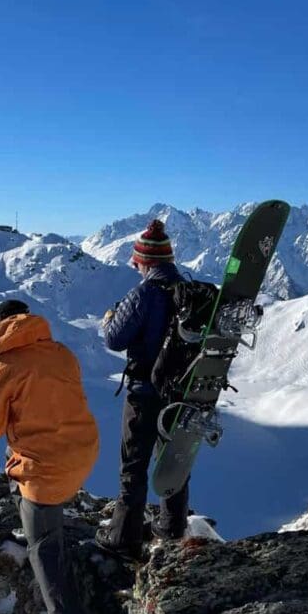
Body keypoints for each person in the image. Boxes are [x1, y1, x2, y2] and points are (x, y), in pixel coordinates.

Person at [0, 298, 102, 614]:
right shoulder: (61, 353)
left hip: (45, 469)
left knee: (45, 554)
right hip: (82, 452)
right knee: (44, 514)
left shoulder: (5, 364)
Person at [96, 219, 189, 560]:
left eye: (137, 260)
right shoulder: (189, 289)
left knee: (134, 464)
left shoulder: (144, 293)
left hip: (145, 390)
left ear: (145, 261)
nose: (134, 265)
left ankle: (123, 537)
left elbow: (114, 338)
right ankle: (171, 526)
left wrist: (110, 317)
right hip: (182, 391)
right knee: (175, 461)